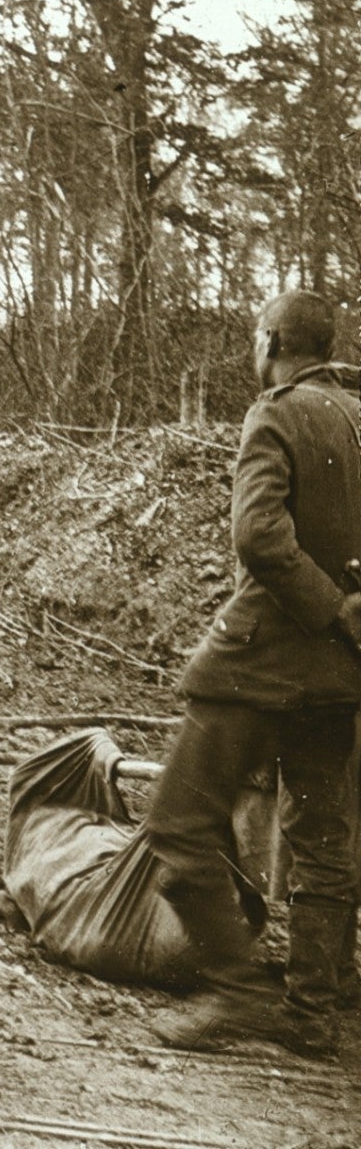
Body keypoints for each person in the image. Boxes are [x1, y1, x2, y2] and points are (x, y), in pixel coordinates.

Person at [145, 291, 361, 1057]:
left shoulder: (276, 411)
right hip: (338, 676)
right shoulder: (359, 415)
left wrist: (332, 606)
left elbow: (258, 534)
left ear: (272, 340)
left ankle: (236, 994)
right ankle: (312, 1012)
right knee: (324, 837)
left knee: (175, 824)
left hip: (257, 661)